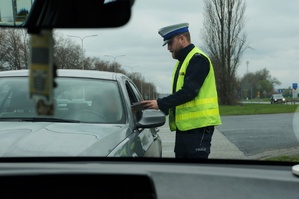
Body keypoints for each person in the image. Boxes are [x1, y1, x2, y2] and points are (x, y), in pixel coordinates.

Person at [142, 23, 222, 158]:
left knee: (195, 173)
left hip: (198, 128)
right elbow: (181, 95)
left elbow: (189, 92)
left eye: (170, 43)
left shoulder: (198, 59)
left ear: (182, 39)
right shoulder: (183, 61)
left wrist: (160, 104)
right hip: (185, 128)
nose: (168, 48)